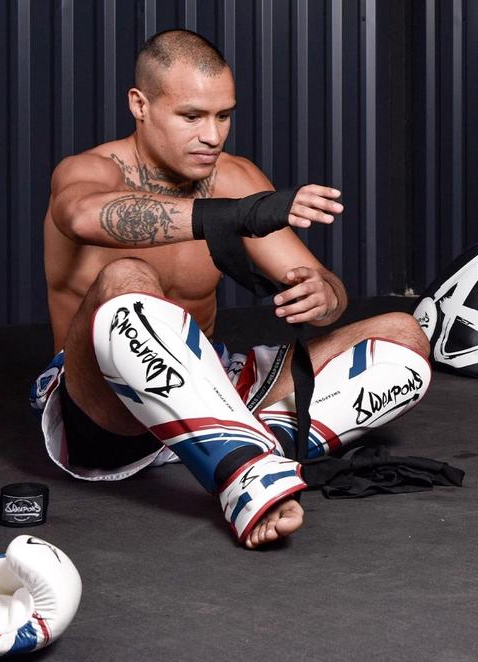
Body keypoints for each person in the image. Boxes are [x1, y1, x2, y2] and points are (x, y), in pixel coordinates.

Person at [31, 29, 430, 549]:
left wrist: (322, 294)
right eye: (192, 116)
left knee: (404, 335)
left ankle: (257, 444)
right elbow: (83, 217)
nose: (212, 135)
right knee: (124, 276)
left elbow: (327, 291)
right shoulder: (89, 171)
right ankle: (243, 473)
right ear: (140, 105)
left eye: (224, 116)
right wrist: (236, 216)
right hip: (111, 414)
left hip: (215, 386)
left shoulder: (234, 178)